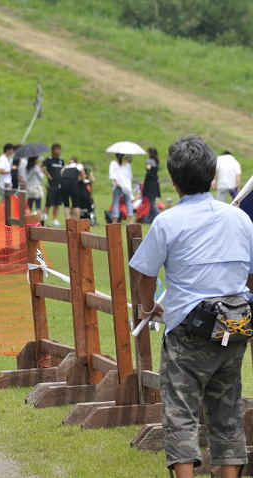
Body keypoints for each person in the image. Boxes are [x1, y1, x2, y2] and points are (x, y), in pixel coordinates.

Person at [130, 136, 252, 478]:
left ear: (174, 180)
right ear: (213, 176)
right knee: (227, 410)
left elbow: (142, 273)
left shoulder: (167, 222)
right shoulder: (240, 219)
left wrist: (148, 306)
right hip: (234, 324)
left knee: (181, 411)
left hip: (188, 328)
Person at [42, 143, 65, 226]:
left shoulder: (61, 160)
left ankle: (55, 220)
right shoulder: (49, 159)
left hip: (59, 185)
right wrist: (47, 174)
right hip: (51, 185)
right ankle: (43, 220)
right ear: (53, 150)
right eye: (57, 149)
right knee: (48, 204)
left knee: (57, 204)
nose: (59, 151)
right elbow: (41, 167)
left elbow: (63, 169)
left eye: (59, 149)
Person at [108, 153, 134, 224]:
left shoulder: (113, 163)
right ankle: (130, 220)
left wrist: (116, 182)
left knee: (116, 203)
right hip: (126, 186)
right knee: (128, 202)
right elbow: (130, 176)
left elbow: (112, 175)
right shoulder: (127, 165)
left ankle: (115, 221)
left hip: (118, 185)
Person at [142, 147, 161, 223]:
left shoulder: (149, 161)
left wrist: (147, 166)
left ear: (151, 153)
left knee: (152, 203)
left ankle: (160, 216)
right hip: (155, 183)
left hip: (150, 184)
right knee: (151, 201)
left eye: (148, 152)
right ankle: (150, 219)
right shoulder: (157, 161)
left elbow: (149, 172)